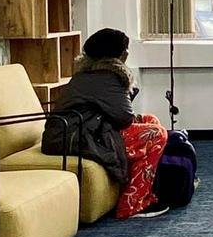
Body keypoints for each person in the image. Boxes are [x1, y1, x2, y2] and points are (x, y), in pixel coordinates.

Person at [41, 28, 168, 219]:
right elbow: (125, 117)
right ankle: (132, 204)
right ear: (119, 54)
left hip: (79, 130)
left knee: (151, 121)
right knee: (157, 134)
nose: (127, 53)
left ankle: (140, 189)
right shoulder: (108, 76)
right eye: (125, 49)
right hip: (80, 136)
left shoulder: (88, 74)